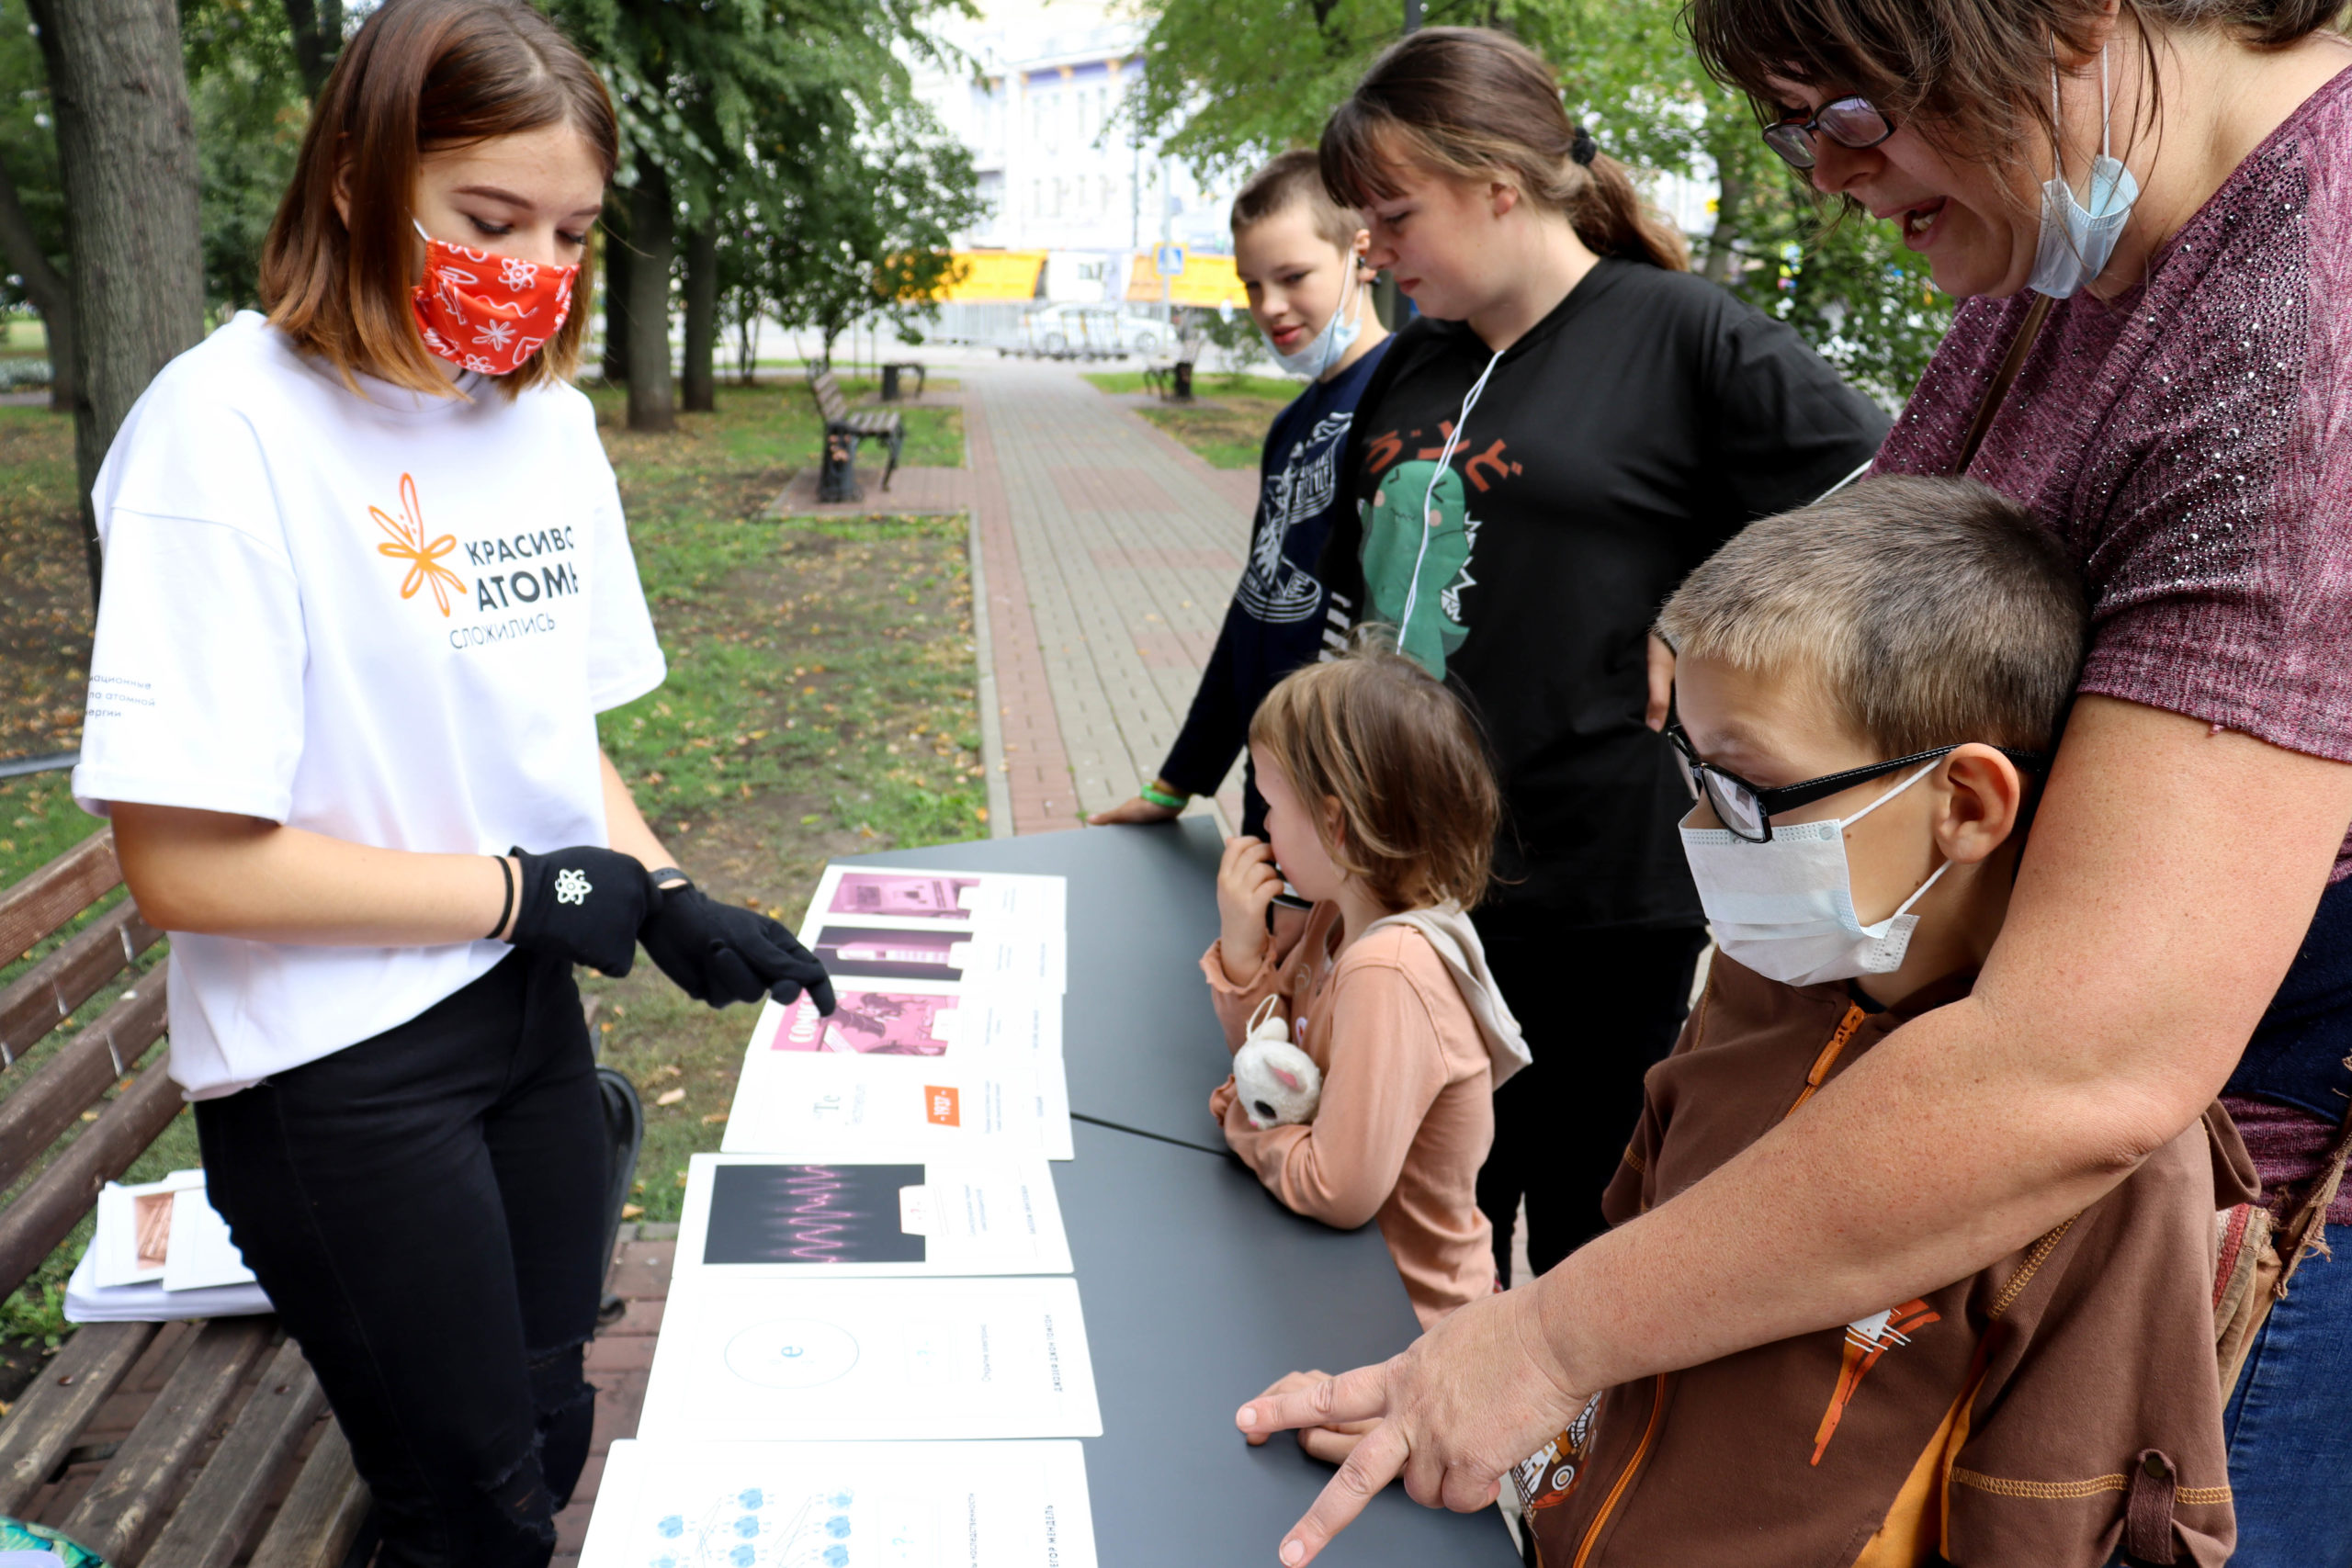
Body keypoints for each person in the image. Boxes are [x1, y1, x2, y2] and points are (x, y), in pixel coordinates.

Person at [1233, 7, 2352, 1568]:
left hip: (2211, 1262)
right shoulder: (2070, 244)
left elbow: (2080, 1063)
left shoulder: (2305, 327)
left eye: (1847, 109)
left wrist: (1542, 1342)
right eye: (1794, 128)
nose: (1829, 173)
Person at [69, 3, 831, 1562]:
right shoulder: (221, 435)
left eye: (570, 230)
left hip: (520, 1021)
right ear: (355, 176)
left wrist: (672, 893)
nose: (536, 270)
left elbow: (547, 734)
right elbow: (185, 867)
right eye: (490, 219)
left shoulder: (537, 424)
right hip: (332, 1068)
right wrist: (523, 889)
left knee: (550, 1433)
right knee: (470, 1509)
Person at [1522, 475, 2252, 1566]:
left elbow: (2040, 1525)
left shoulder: (2120, 1176)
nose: (1695, 827)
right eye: (1692, 775)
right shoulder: (1754, 982)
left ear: (1964, 804)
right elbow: (1628, 1246)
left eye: (1747, 790)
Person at [1312, 27, 1890, 1282]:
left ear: (1497, 184)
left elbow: (1892, 507)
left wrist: (1711, 603)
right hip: (1409, 881)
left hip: (1591, 895)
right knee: (1403, 1222)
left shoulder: (1683, 336)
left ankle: (1572, 1471)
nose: (1373, 247)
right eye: (1361, 218)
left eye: (1394, 211)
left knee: (1578, 1233)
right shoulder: (1416, 359)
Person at [1201, 643, 1529, 1330]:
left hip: (1407, 1321)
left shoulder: (1390, 971)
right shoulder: (1334, 912)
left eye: (1271, 808)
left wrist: (1241, 1114)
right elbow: (1277, 1065)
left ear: (1337, 824)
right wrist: (1242, 950)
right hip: (1347, 1276)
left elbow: (1334, 1186)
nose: (1261, 829)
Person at [1089, 150, 1392, 835]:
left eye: (1293, 277)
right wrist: (1176, 784)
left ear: (1359, 254)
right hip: (1275, 793)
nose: (1270, 307)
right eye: (1252, 285)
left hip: (1348, 804)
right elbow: (1254, 611)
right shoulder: (1289, 424)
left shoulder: (1403, 402)